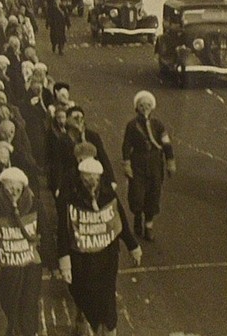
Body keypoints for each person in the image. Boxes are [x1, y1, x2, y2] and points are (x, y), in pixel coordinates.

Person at [57, 158, 141, 336]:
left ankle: (109, 329)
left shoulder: (108, 194)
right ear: (81, 178)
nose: (91, 183)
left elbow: (121, 221)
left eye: (94, 179)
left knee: (107, 296)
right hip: (80, 257)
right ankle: (84, 316)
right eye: (87, 179)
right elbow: (63, 230)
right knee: (81, 291)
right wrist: (64, 262)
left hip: (106, 256)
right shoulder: (70, 198)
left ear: (99, 178)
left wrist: (133, 246)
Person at [0, 167, 42, 336]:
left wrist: (54, 262)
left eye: (17, 189)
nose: (13, 193)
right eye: (9, 189)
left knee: (29, 304)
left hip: (30, 265)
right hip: (6, 267)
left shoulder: (34, 205)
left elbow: (45, 231)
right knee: (9, 304)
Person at [121, 91, 176, 241]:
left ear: (152, 107)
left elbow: (166, 144)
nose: (145, 108)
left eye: (148, 105)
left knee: (153, 195)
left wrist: (170, 161)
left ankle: (149, 226)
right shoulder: (132, 125)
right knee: (137, 195)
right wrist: (127, 163)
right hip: (138, 163)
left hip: (155, 164)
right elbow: (126, 145)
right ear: (137, 108)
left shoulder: (158, 125)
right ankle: (138, 216)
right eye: (141, 105)